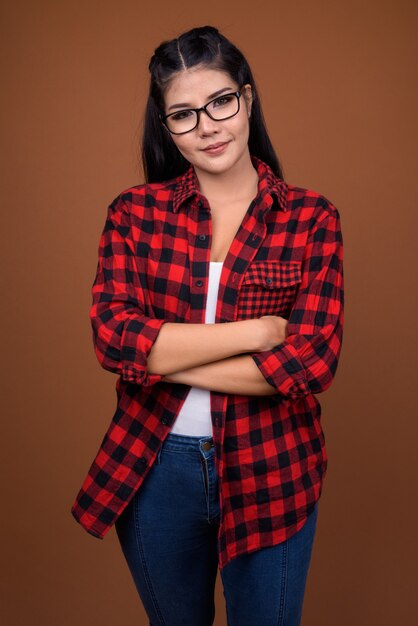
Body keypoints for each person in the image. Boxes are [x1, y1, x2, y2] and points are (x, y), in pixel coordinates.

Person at [71, 24, 344, 626]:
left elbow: (310, 364)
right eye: (183, 114)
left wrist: (162, 356)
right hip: (155, 464)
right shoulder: (133, 215)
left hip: (273, 463)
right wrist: (256, 334)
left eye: (220, 102)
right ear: (165, 126)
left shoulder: (310, 218)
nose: (207, 126)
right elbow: (114, 338)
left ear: (247, 99)